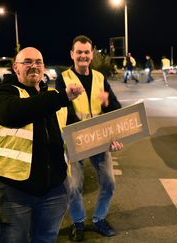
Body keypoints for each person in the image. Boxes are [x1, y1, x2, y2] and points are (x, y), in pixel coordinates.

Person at [0, 47, 84, 243]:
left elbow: (77, 133)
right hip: (13, 191)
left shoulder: (53, 97)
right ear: (16, 67)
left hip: (54, 190)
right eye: (28, 62)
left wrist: (104, 141)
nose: (34, 66)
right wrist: (60, 98)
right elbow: (14, 112)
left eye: (39, 62)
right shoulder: (3, 94)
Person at [55, 35, 123, 242]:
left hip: (99, 141)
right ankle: (78, 222)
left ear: (91, 54)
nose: (83, 55)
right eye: (79, 52)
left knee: (109, 183)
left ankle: (99, 218)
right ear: (72, 54)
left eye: (86, 52)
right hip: (75, 141)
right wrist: (83, 130)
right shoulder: (63, 78)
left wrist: (106, 103)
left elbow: (115, 109)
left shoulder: (100, 78)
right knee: (74, 186)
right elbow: (63, 110)